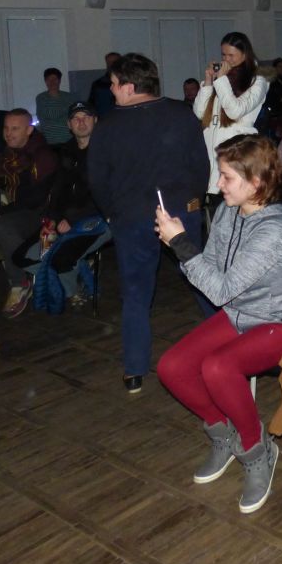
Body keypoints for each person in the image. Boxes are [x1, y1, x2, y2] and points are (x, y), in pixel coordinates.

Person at [154, 135, 282, 515]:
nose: (218, 184)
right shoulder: (228, 211)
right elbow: (211, 269)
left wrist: (180, 244)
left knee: (217, 367)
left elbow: (220, 290)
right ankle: (223, 434)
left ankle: (257, 450)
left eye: (226, 177)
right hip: (241, 314)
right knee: (172, 367)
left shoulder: (275, 229)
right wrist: (181, 245)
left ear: (255, 183)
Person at [88, 53, 210, 393]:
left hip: (132, 217)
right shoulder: (181, 114)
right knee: (202, 279)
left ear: (129, 87)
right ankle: (233, 338)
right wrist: (193, 203)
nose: (112, 91)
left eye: (114, 84)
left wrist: (111, 212)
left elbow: (96, 178)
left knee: (136, 292)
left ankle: (134, 369)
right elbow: (201, 165)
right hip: (181, 213)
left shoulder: (108, 125)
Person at [31, 102, 105, 311]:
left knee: (60, 259)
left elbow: (105, 195)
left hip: (98, 219)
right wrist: (53, 218)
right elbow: (57, 190)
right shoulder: (65, 152)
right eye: (75, 118)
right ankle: (80, 268)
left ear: (95, 120)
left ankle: (72, 290)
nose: (81, 122)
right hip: (65, 218)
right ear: (68, 124)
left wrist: (71, 219)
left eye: (86, 117)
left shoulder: (106, 150)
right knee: (28, 256)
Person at [0, 108, 58, 316]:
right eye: (6, 128)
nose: (8, 133)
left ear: (29, 130)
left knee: (1, 226)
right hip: (15, 208)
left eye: (15, 129)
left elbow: (35, 198)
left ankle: (19, 282)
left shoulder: (42, 155)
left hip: (40, 213)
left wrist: (1, 211)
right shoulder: (7, 155)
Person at [195, 32, 270, 197]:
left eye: (231, 55)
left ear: (245, 54)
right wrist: (208, 81)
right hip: (213, 152)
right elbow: (199, 112)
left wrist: (221, 80)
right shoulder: (221, 80)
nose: (226, 60)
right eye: (223, 55)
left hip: (237, 151)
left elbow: (235, 111)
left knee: (235, 201)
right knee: (215, 203)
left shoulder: (257, 81)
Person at [35, 67, 72, 145]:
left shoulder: (69, 97)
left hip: (68, 139)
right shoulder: (41, 98)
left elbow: (72, 116)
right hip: (49, 141)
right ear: (45, 81)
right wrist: (65, 109)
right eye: (49, 79)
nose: (52, 82)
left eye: (55, 79)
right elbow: (50, 114)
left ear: (59, 80)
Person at [87, 52, 121, 117]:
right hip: (103, 120)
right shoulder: (98, 84)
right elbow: (91, 106)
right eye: (109, 62)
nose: (111, 64)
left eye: (114, 62)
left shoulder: (128, 84)